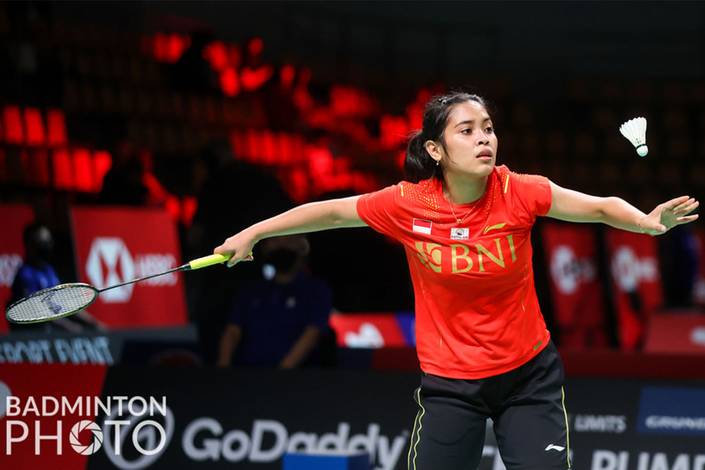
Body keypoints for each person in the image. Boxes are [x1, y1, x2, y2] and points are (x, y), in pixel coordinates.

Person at [213, 92, 699, 469]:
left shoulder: (517, 191)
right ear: (436, 148)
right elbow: (333, 213)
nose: (484, 138)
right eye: (467, 131)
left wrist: (644, 221)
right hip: (451, 385)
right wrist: (253, 233)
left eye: (488, 128)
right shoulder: (407, 204)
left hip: (527, 378)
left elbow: (595, 206)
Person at [217, 235, 332, 369]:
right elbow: (232, 331)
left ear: (302, 245)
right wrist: (223, 369)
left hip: (297, 380)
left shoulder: (316, 290)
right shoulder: (251, 290)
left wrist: (280, 374)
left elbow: (312, 333)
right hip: (248, 375)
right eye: (275, 241)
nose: (281, 246)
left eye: (288, 240)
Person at [9, 222, 103, 333]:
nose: (47, 245)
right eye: (42, 242)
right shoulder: (25, 274)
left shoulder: (49, 271)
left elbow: (63, 303)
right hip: (35, 333)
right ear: (30, 244)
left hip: (55, 331)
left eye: (48, 241)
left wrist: (94, 322)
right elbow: (38, 311)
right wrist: (70, 327)